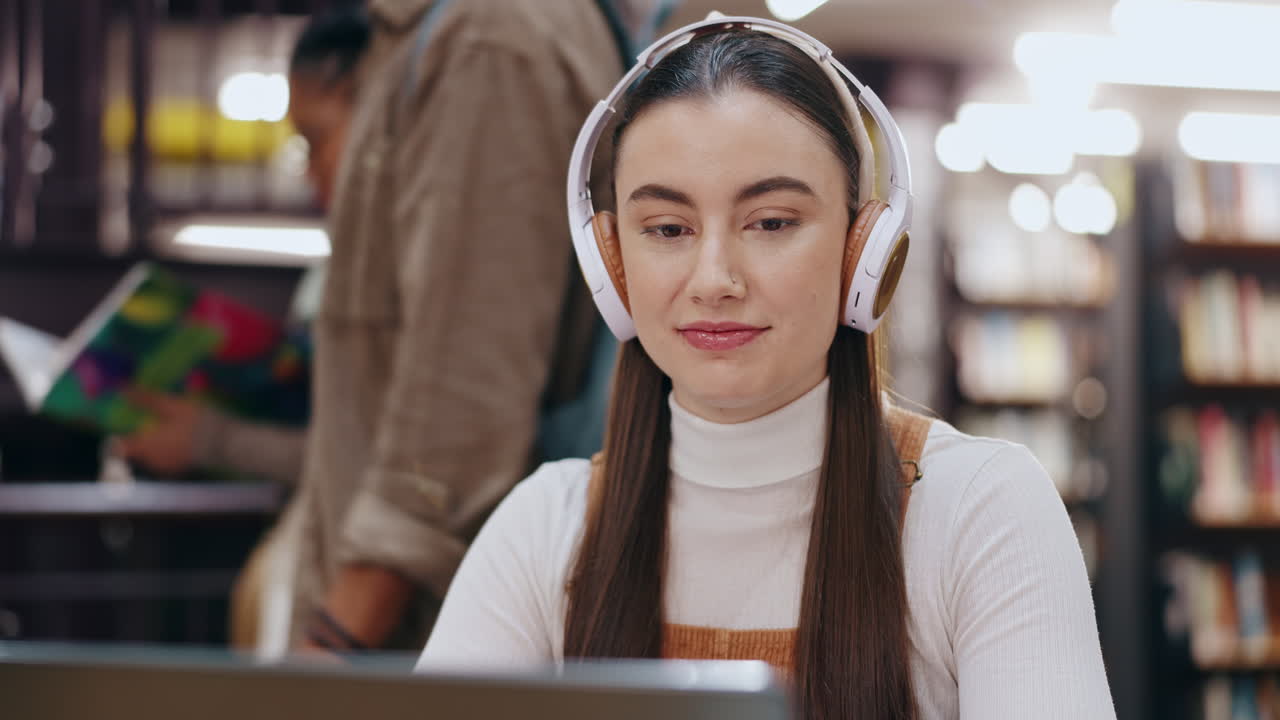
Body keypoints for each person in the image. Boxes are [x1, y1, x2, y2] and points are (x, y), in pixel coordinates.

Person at [417, 17, 1117, 720]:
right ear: (612, 263)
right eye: (667, 229)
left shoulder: (979, 510)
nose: (714, 278)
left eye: (771, 222)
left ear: (861, 251)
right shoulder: (548, 527)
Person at [292, 0, 678, 653]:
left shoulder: (493, 33)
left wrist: (331, 645)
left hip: (422, 637)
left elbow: (463, 394)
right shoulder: (465, 29)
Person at [115, 5, 371, 652]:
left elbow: (357, 448)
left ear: (370, 107)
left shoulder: (375, 279)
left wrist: (207, 438)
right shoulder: (333, 273)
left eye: (317, 139)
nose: (312, 175)